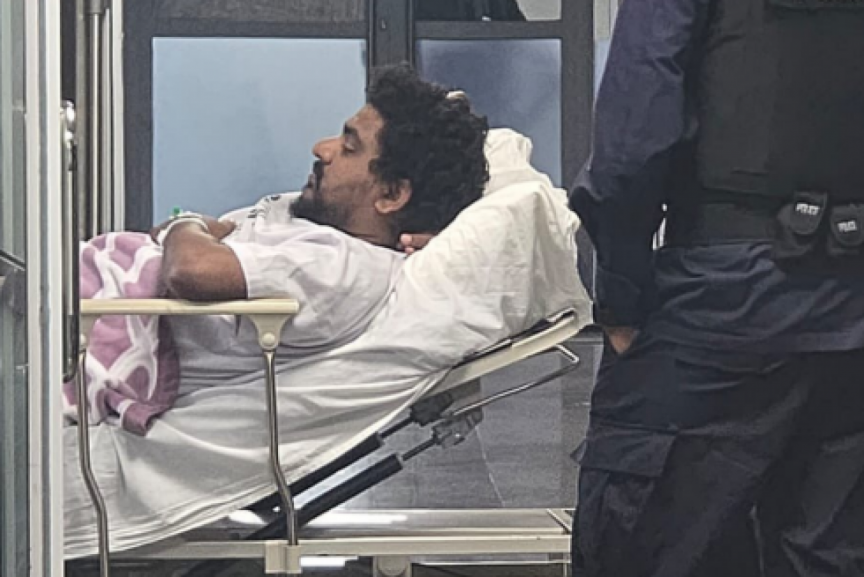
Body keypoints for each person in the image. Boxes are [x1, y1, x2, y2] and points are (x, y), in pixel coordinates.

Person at [568, 1, 864, 576]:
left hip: (723, 297)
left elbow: (632, 145)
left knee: (646, 541)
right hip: (851, 310)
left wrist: (622, 295)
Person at [149, 64, 489, 385]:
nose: (322, 149)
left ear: (391, 194)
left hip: (123, 337)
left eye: (349, 148)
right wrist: (189, 232)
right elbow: (160, 240)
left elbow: (189, 268)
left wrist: (189, 223)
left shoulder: (342, 267)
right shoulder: (314, 211)